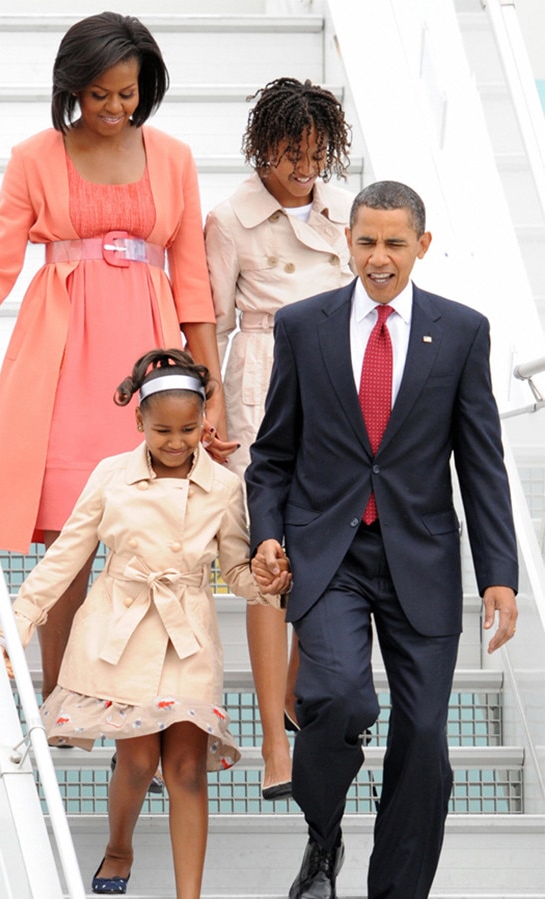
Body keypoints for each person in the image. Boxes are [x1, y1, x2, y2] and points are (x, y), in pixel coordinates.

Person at [0, 12, 233, 703]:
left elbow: (193, 281)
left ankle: (146, 700)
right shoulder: (34, 158)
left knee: (155, 533)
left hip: (151, 356)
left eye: (128, 94)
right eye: (100, 93)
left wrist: (212, 385)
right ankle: (63, 697)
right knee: (70, 540)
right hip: (66, 356)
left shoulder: (174, 158)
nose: (114, 108)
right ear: (72, 86)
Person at [246, 181, 519, 899]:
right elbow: (272, 457)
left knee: (426, 741)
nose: (379, 258)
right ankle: (324, 834)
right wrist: (268, 534)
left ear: (421, 247)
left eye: (395, 244)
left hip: (422, 559)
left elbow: (482, 463)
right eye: (366, 242)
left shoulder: (462, 332)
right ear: (348, 243)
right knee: (337, 699)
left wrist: (498, 574)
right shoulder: (304, 326)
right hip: (330, 554)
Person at [1, 349, 274, 899]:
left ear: (205, 421)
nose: (176, 443)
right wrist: (15, 625)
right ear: (140, 425)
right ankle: (119, 846)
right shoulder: (110, 475)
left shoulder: (226, 486)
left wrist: (263, 580)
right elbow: (66, 556)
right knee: (139, 757)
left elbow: (235, 572)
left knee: (185, 766)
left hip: (189, 638)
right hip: (118, 632)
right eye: (162, 431)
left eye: (188, 429)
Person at [204, 77, 354, 800]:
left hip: (340, 391)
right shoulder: (231, 218)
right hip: (263, 386)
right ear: (262, 146)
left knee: (323, 554)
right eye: (291, 153)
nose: (303, 168)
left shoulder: (343, 215)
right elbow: (213, 321)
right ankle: (271, 743)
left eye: (316, 155)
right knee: (269, 560)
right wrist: (217, 417)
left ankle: (296, 694)